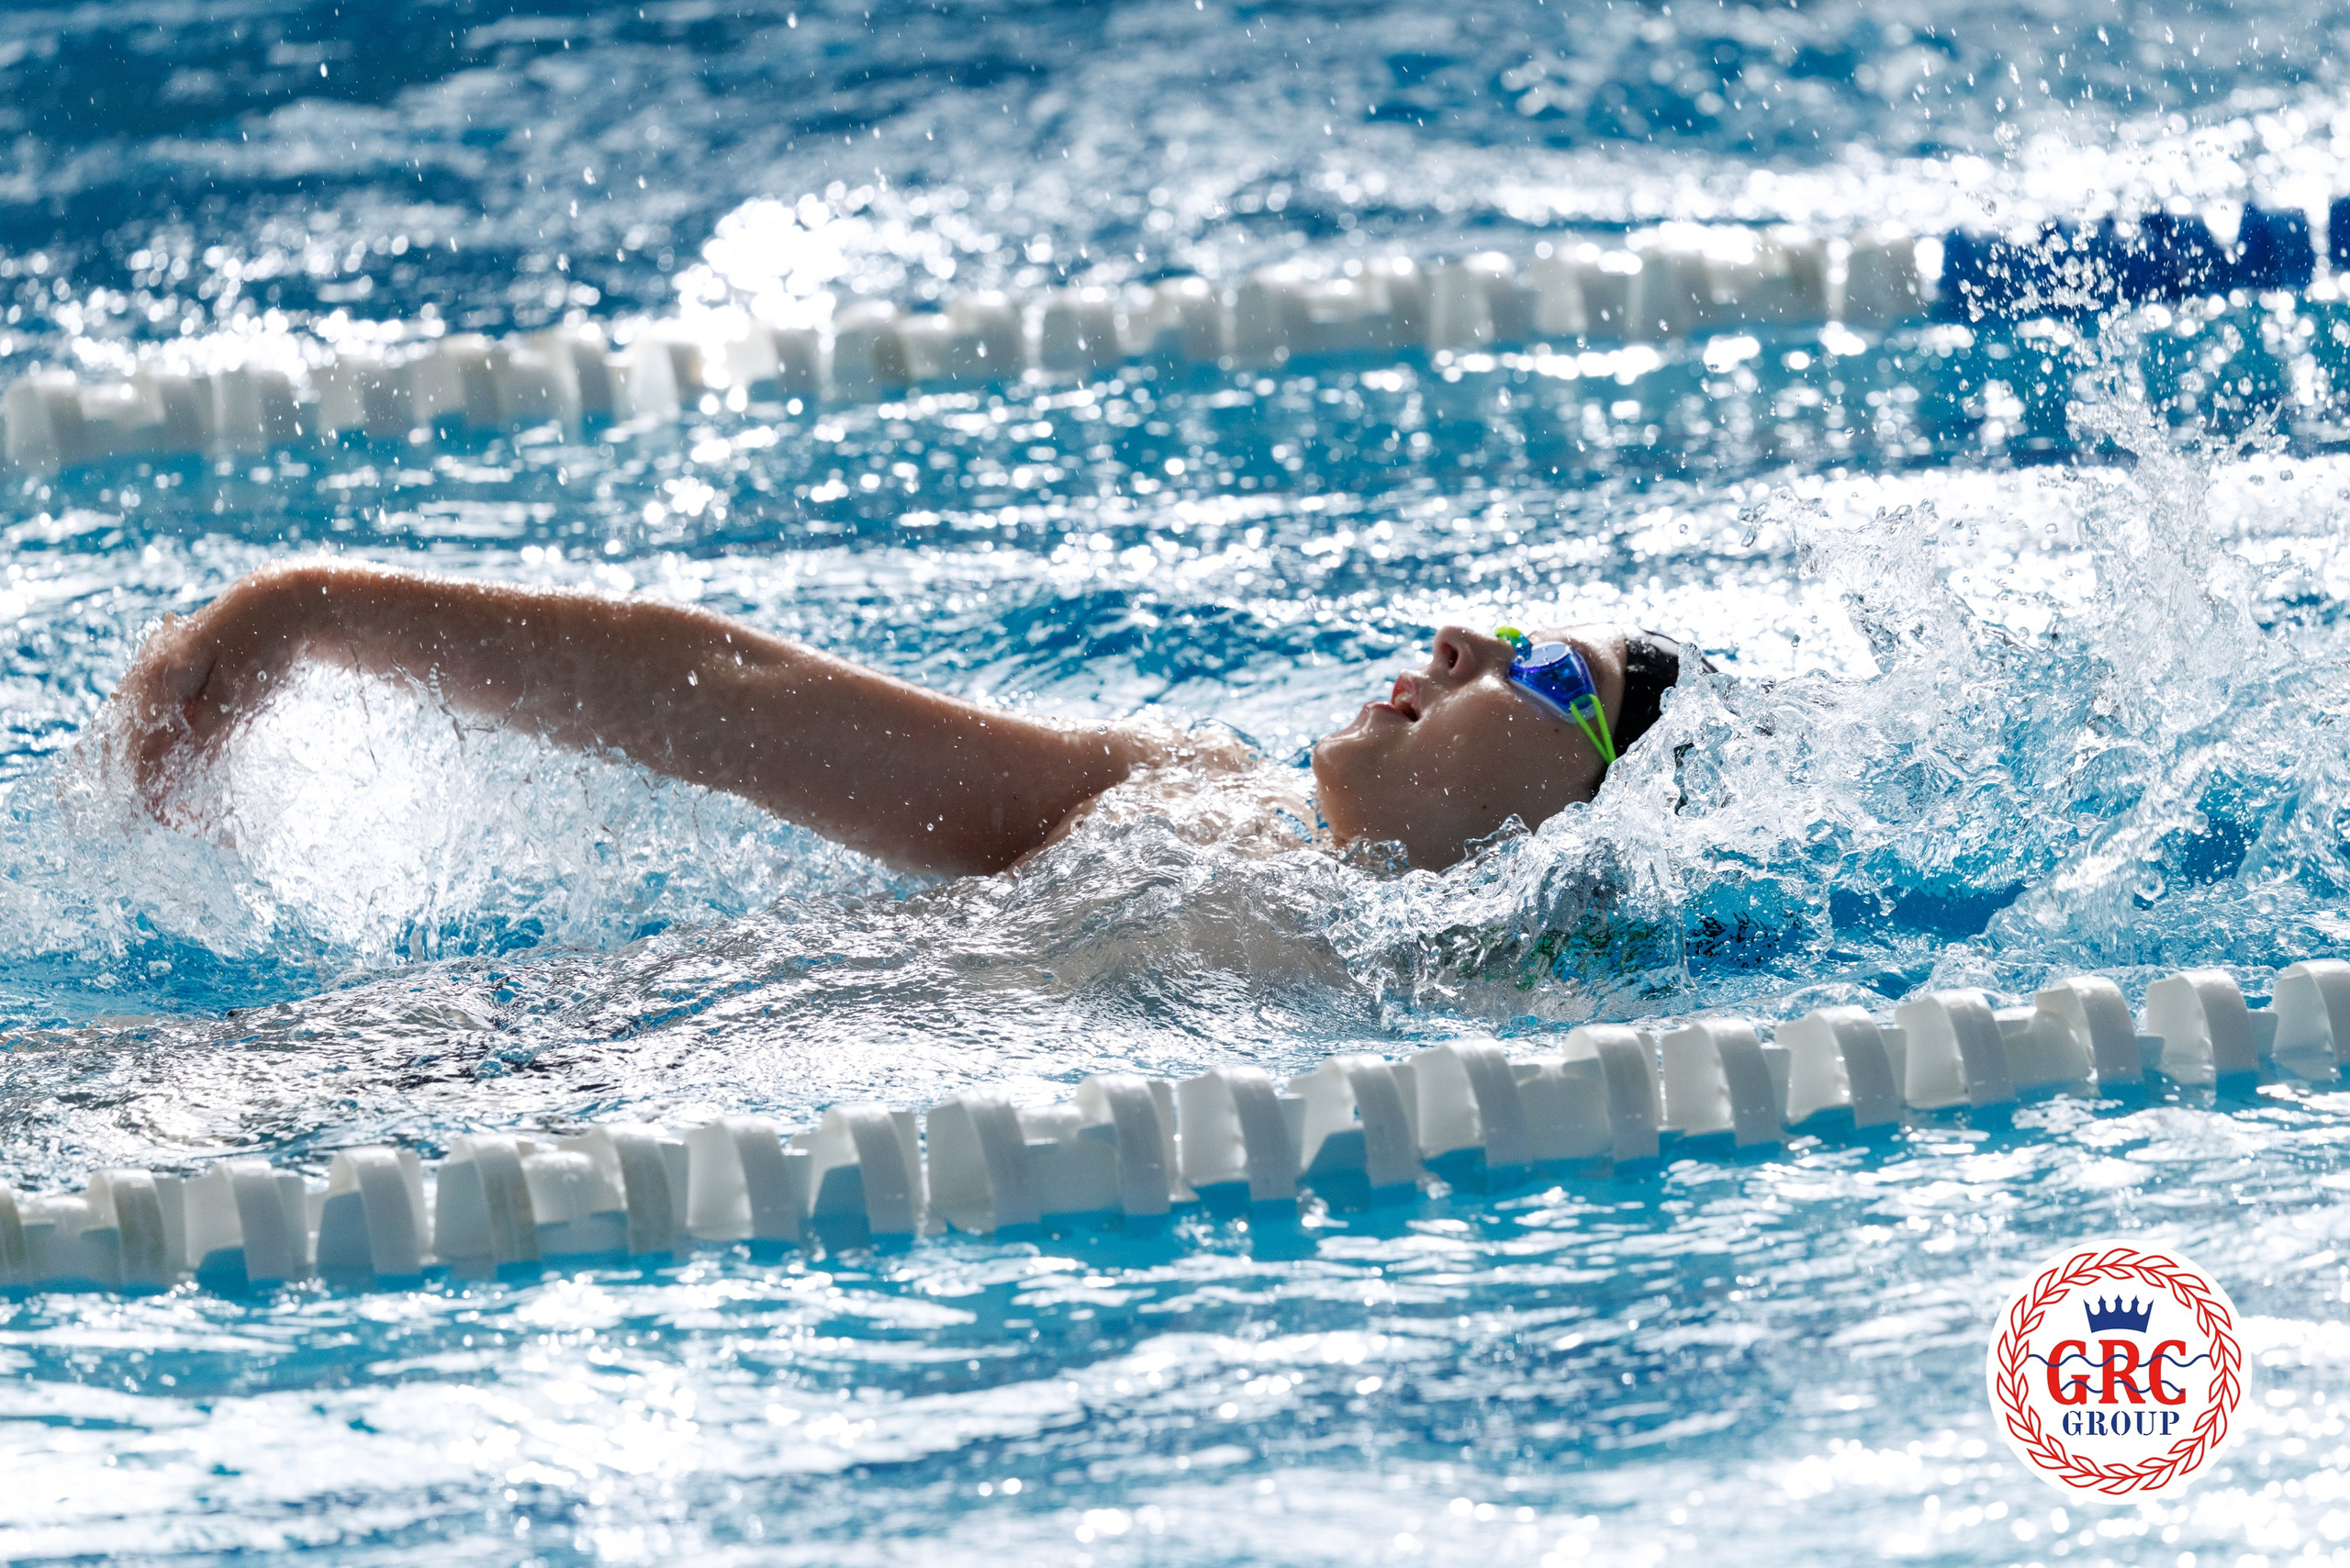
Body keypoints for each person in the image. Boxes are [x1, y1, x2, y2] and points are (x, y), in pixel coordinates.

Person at [109, 560, 1703, 876]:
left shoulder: (1504, 1027)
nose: (1454, 642)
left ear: (1573, 826)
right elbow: (744, 700)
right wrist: (309, 614)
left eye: (1546, 671)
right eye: (1495, 626)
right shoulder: (1186, 797)